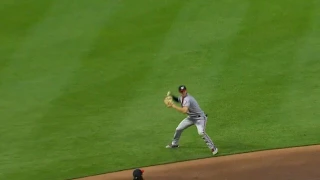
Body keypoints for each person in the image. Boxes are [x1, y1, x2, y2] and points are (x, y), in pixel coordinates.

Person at [165, 85, 218, 155]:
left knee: (201, 133)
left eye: (184, 91)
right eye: (181, 91)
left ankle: (213, 148)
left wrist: (173, 106)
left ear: (186, 90)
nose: (183, 92)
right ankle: (174, 144)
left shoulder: (188, 99)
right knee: (178, 129)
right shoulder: (181, 97)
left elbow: (184, 111)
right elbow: (177, 99)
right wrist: (171, 96)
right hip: (191, 118)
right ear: (180, 92)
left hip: (200, 118)